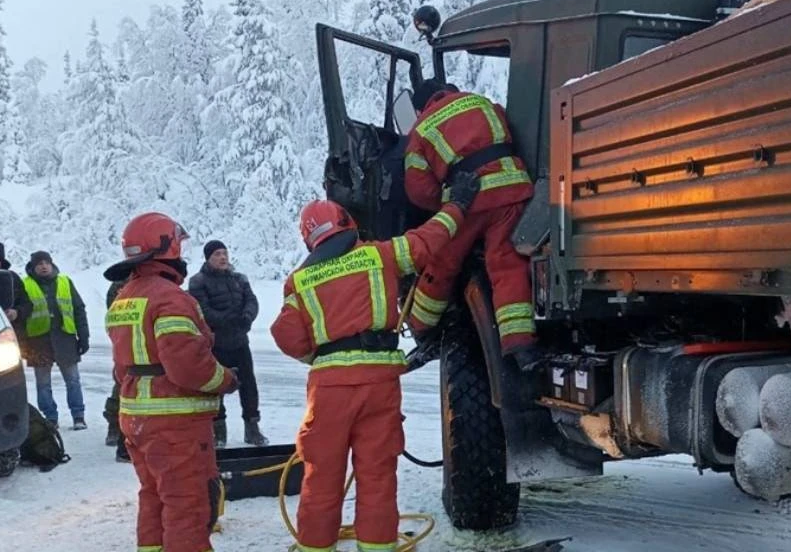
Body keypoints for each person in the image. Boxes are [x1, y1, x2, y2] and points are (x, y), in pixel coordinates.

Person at [271, 169, 480, 552]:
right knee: (378, 476)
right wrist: (458, 205)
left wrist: (319, 356)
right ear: (348, 224)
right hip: (379, 385)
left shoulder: (299, 282)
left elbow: (284, 334)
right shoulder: (379, 256)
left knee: (321, 477)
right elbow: (428, 240)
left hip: (329, 392)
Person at [104, 212, 238, 552]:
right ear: (168, 247)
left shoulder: (124, 297)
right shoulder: (170, 298)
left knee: (154, 498)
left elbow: (123, 367)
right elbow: (188, 367)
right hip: (174, 425)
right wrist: (226, 379)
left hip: (136, 419)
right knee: (187, 507)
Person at [403, 79, 541, 370]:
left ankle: (422, 328)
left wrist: (449, 202)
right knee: (506, 263)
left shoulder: (421, 128)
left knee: (441, 261)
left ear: (420, 108)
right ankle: (519, 343)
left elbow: (417, 188)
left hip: (470, 202)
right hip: (512, 189)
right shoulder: (481, 102)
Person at [188, 240, 268, 448]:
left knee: (249, 386)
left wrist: (247, 317)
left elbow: (252, 301)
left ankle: (252, 429)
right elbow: (202, 310)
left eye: (225, 253)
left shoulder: (239, 279)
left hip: (240, 341)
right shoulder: (198, 281)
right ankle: (218, 431)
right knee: (216, 386)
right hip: (216, 343)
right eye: (217, 254)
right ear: (208, 258)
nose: (223, 257)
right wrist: (227, 319)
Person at [23, 251, 90, 430]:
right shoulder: (25, 285)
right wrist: (22, 344)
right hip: (38, 342)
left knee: (73, 380)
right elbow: (20, 316)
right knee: (43, 384)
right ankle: (50, 418)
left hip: (65, 339)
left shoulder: (65, 282)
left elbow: (78, 310)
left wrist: (84, 336)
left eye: (46, 263)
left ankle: (78, 416)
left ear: (52, 264)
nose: (43, 266)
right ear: (33, 267)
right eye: (39, 264)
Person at [103, 278, 130, 462]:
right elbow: (113, 312)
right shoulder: (120, 284)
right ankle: (115, 427)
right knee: (121, 388)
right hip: (126, 341)